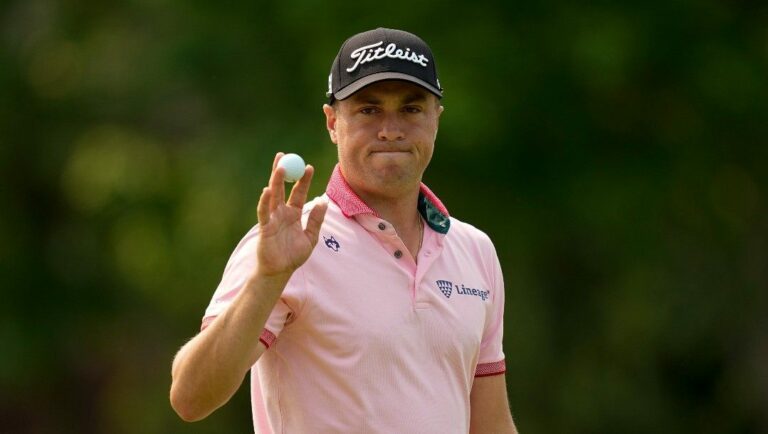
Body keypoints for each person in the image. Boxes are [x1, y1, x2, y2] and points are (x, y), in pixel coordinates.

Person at [170, 27, 519, 433]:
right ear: (332, 122)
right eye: (369, 110)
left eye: (411, 109)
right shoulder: (292, 242)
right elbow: (191, 397)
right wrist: (268, 279)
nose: (391, 129)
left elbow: (491, 424)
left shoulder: (474, 251)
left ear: (436, 118)